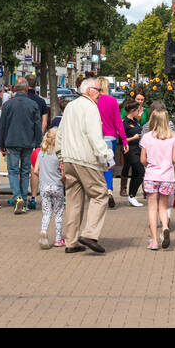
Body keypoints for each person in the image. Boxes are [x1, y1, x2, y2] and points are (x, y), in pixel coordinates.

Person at [54, 79, 113, 253]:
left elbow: (61, 133)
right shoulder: (91, 108)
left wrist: (61, 156)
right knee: (100, 194)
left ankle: (71, 241)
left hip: (69, 158)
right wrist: (106, 155)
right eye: (98, 90)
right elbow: (94, 135)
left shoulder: (71, 106)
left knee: (73, 200)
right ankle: (90, 233)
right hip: (85, 159)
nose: (100, 93)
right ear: (88, 90)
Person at [0, 78, 42, 214]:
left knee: (12, 170)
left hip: (11, 141)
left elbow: (2, 125)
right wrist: (38, 142)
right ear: (27, 88)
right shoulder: (33, 104)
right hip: (28, 142)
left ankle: (17, 198)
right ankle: (23, 199)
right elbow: (37, 125)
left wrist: (2, 143)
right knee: (25, 171)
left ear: (14, 89)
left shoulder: (8, 104)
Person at [140, 107, 175, 250]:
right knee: (163, 207)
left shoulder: (147, 137)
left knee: (152, 209)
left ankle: (154, 241)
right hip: (167, 176)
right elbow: (174, 159)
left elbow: (142, 159)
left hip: (151, 176)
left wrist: (149, 164)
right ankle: (165, 227)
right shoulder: (173, 137)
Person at [95, 75, 128, 209]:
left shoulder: (94, 101)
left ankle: (98, 193)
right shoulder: (112, 101)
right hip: (110, 137)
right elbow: (118, 122)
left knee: (97, 166)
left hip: (96, 137)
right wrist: (124, 140)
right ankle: (109, 190)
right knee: (108, 165)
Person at [33, 128, 64, 249]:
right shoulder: (59, 154)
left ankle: (44, 231)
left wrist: (43, 177)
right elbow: (63, 173)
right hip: (57, 186)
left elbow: (35, 171)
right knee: (58, 213)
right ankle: (57, 239)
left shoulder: (41, 153)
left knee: (46, 213)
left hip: (44, 187)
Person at [119, 101, 145, 206]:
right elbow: (121, 140)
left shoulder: (135, 121)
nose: (139, 112)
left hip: (137, 150)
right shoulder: (124, 123)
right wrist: (133, 138)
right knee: (140, 172)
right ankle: (132, 195)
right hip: (129, 150)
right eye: (138, 110)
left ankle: (132, 196)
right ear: (133, 111)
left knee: (136, 173)